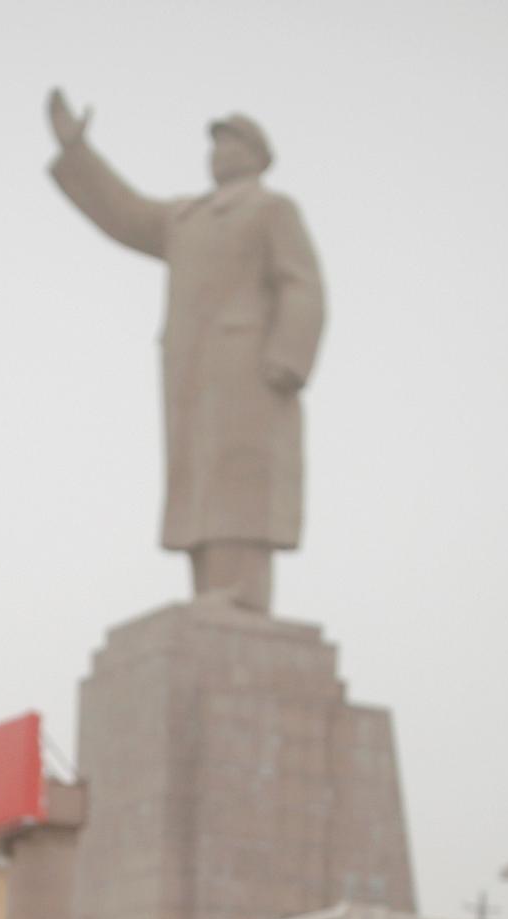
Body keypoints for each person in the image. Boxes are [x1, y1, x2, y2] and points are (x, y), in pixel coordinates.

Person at [45, 87, 325, 616]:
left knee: (242, 475)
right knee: (200, 479)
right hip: (193, 370)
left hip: (251, 365)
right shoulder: (184, 219)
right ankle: (209, 591)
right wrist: (77, 153)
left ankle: (244, 589)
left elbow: (303, 284)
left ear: (258, 156)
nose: (218, 154)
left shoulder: (271, 209)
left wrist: (291, 354)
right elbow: (124, 213)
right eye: (214, 145)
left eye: (231, 144)